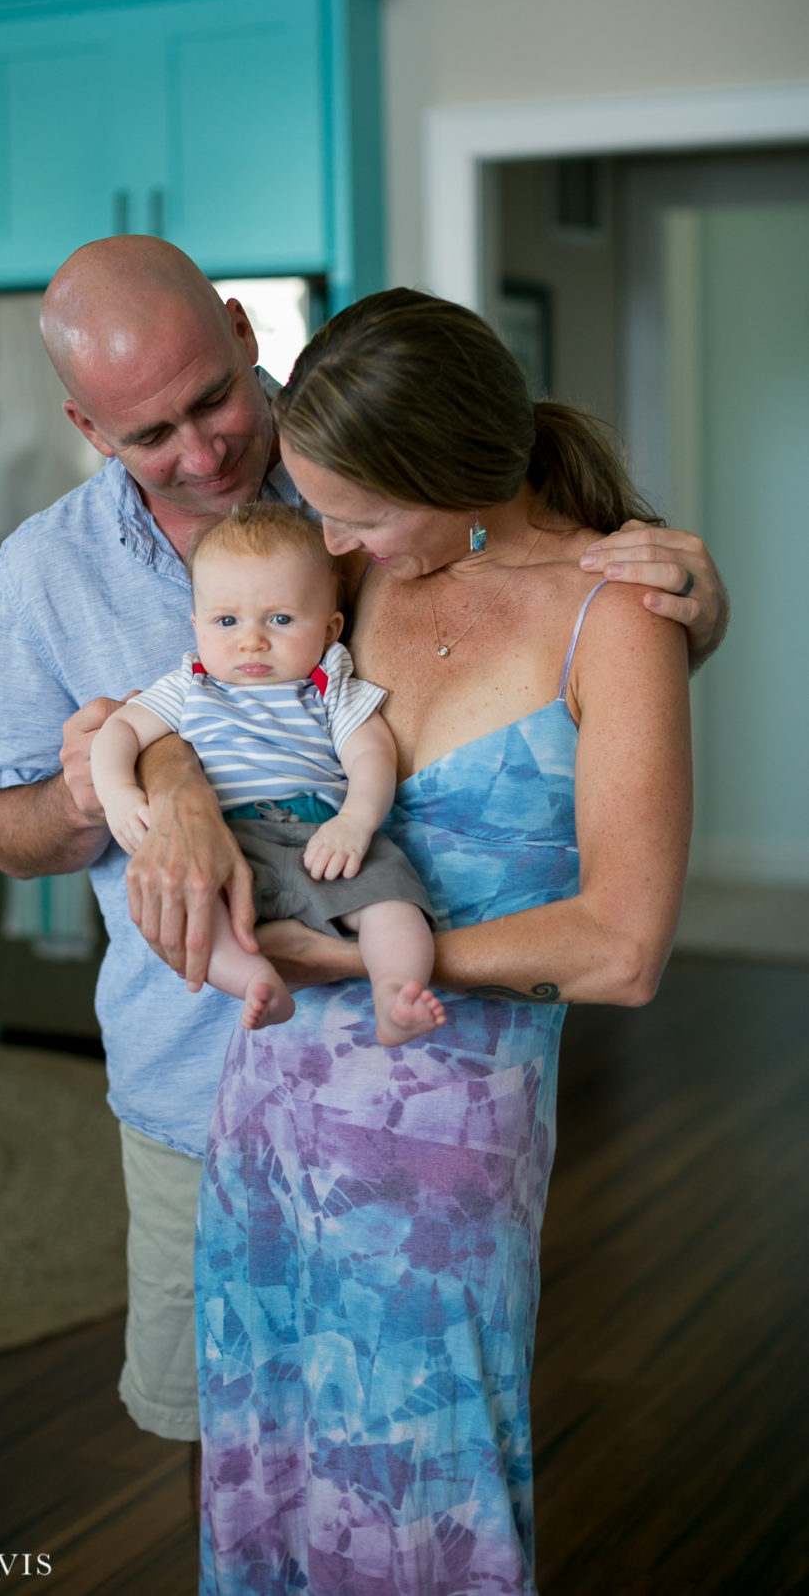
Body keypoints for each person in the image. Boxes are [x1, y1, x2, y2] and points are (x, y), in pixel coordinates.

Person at [0, 236, 726, 1465]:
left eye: (212, 401)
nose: (202, 453)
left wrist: (689, 607)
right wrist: (139, 781)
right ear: (86, 429)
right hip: (190, 1075)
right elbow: (70, 788)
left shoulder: (355, 513)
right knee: (235, 1443)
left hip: (402, 1083)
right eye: (149, 434)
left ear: (240, 333)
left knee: (403, 1460)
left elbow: (523, 632)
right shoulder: (47, 575)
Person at [187, 288, 693, 1593]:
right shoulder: (350, 577)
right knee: (270, 1442)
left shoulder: (613, 613)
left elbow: (621, 945)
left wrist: (356, 961)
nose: (330, 535)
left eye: (356, 509)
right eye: (320, 505)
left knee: (418, 1475)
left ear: (457, 470)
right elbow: (202, 714)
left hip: (435, 1145)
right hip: (268, 1101)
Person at [90, 503, 444, 1040]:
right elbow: (119, 730)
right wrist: (118, 793)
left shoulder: (329, 687)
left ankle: (397, 993)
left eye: (280, 619)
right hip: (226, 841)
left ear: (329, 628)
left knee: (393, 900)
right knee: (192, 911)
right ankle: (255, 981)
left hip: (322, 834)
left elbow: (371, 755)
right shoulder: (192, 684)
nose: (251, 640)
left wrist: (356, 821)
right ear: (197, 625)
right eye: (226, 621)